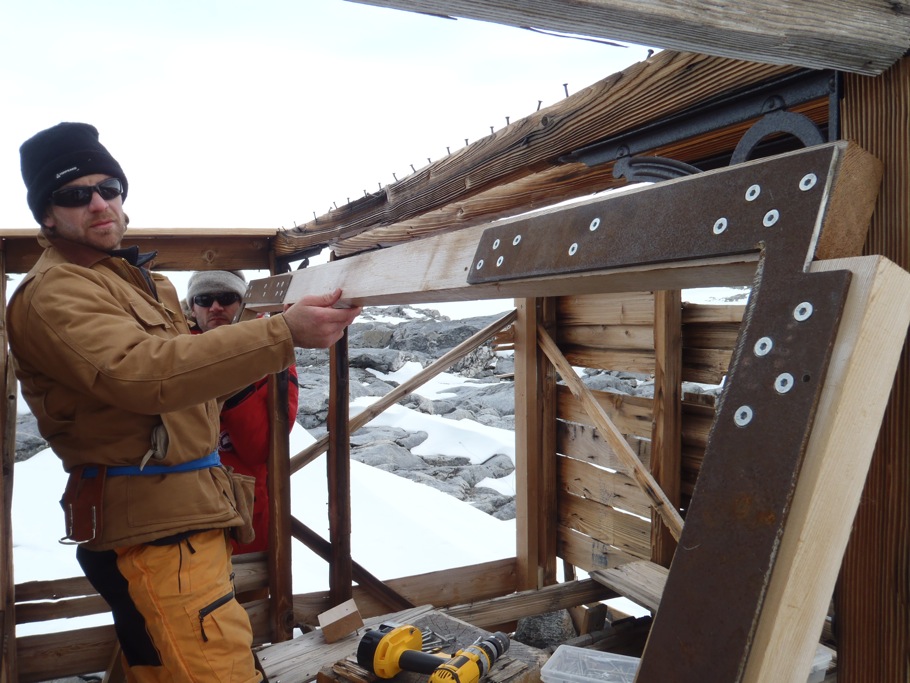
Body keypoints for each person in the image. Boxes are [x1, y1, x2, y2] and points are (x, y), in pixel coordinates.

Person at [8, 122, 360, 682]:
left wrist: (264, 351)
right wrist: (281, 335)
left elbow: (180, 389)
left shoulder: (130, 282)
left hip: (178, 519)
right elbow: (143, 376)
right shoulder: (58, 291)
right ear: (46, 215)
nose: (98, 203)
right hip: (156, 535)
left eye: (109, 187)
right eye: (74, 195)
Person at [185, 269, 300, 555]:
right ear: (192, 307)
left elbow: (261, 448)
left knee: (250, 594)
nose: (215, 307)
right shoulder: (170, 350)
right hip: (183, 505)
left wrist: (233, 381)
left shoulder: (273, 353)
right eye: (203, 298)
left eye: (226, 297)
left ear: (244, 304)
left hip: (245, 508)